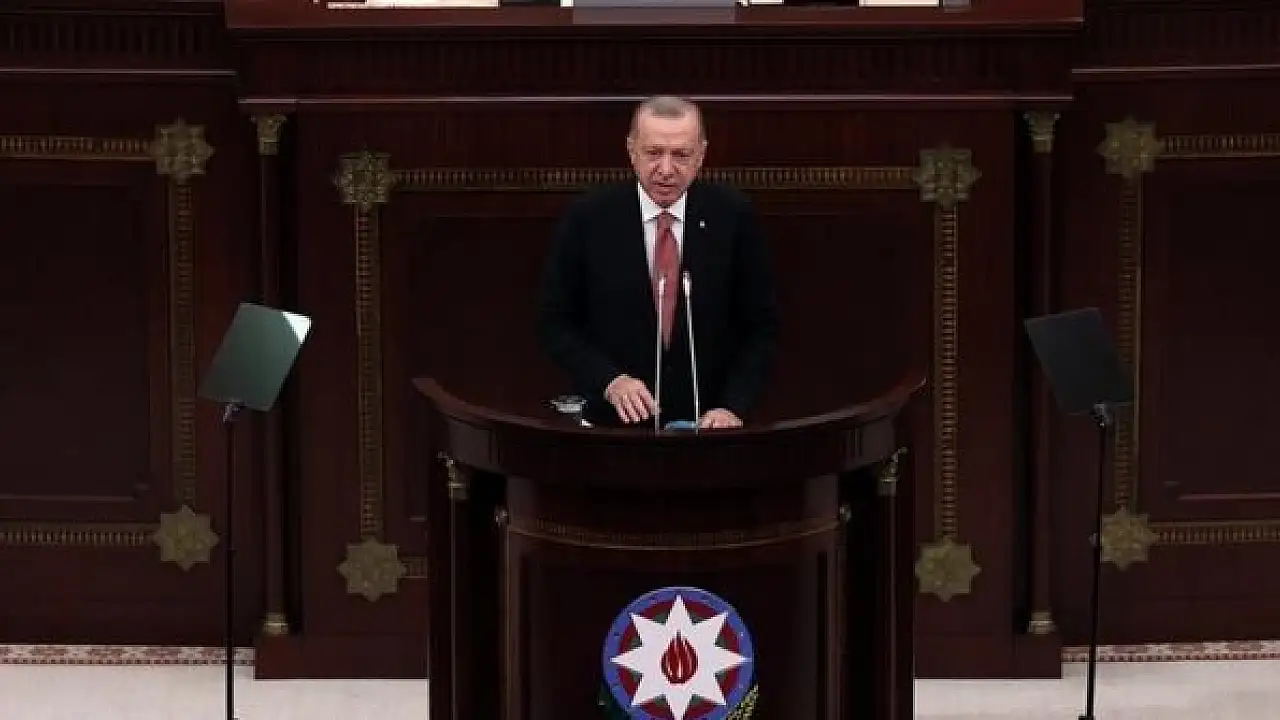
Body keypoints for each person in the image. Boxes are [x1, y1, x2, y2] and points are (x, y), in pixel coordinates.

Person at [537, 95, 778, 429]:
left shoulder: (732, 215)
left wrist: (732, 406)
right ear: (631, 151)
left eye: (681, 155)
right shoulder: (590, 217)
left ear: (701, 155)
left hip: (708, 425)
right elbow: (555, 323)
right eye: (653, 153)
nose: (666, 170)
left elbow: (760, 327)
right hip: (614, 426)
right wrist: (610, 381)